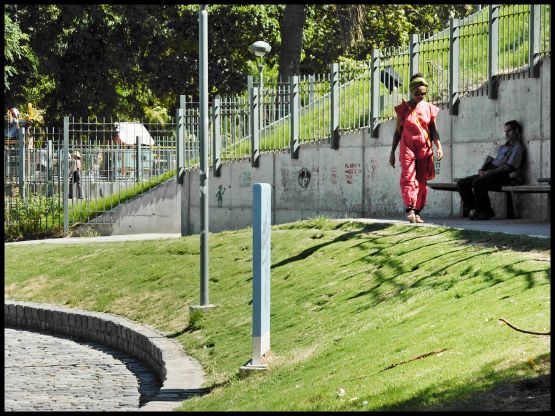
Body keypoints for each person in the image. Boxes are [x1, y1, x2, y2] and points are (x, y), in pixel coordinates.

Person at [389, 73, 443, 223]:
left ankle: (418, 211)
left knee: (421, 181)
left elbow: (433, 130)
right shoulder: (403, 109)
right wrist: (392, 152)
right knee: (408, 176)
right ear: (411, 91)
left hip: (424, 148)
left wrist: (439, 146)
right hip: (407, 147)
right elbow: (397, 132)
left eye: (424, 93)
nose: (421, 96)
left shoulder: (429, 109)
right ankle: (410, 209)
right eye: (417, 93)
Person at [456, 120, 525, 220]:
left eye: (509, 131)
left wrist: (489, 172)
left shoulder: (518, 148)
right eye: (505, 132)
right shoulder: (504, 146)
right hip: (490, 172)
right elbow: (494, 160)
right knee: (462, 183)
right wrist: (483, 169)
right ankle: (473, 210)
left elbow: (508, 167)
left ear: (517, 130)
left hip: (501, 176)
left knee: (478, 182)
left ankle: (487, 211)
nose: (506, 134)